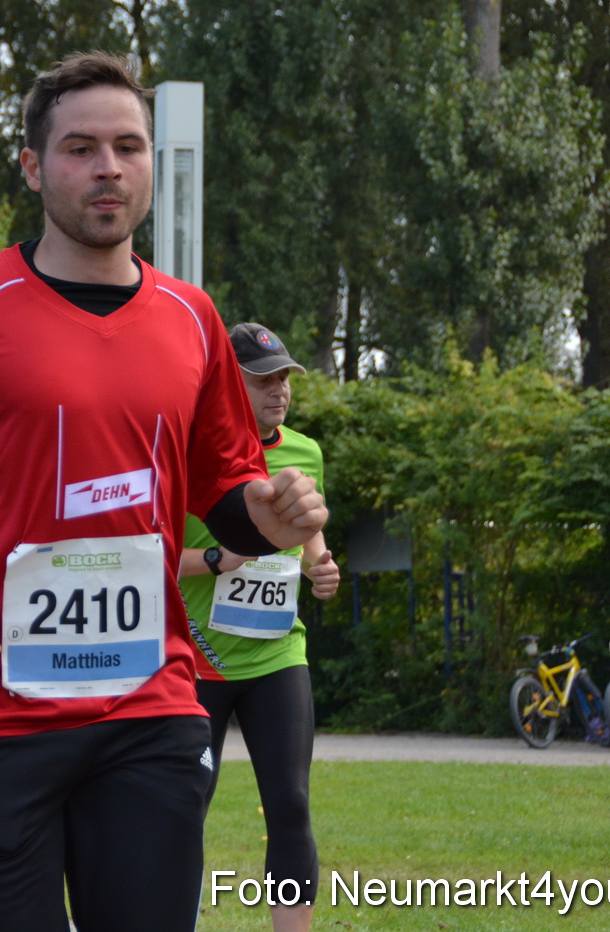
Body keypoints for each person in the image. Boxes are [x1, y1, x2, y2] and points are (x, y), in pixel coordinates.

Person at [0, 52, 329, 932]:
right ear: (33, 166)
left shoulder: (192, 318)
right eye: (79, 147)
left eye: (127, 145)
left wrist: (269, 515)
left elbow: (225, 494)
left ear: (149, 163)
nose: (107, 166)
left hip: (148, 704)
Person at [179, 324, 339, 932]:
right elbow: (151, 555)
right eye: (263, 380)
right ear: (228, 385)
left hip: (277, 655)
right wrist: (218, 559)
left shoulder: (305, 452)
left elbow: (307, 533)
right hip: (198, 658)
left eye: (285, 379)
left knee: (291, 806)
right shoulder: (194, 454)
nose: (280, 392)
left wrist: (320, 567)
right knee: (185, 806)